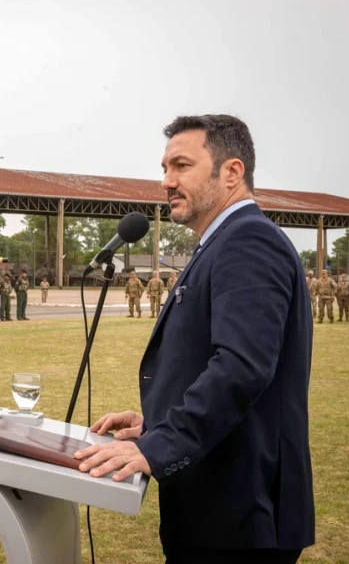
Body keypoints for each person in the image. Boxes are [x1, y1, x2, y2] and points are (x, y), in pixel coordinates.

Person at [75, 115, 314, 564]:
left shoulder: (248, 241)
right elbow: (214, 359)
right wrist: (157, 422)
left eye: (181, 166)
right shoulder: (222, 241)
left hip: (241, 514)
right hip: (216, 505)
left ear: (232, 172)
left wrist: (159, 447)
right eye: (165, 168)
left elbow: (241, 367)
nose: (167, 181)